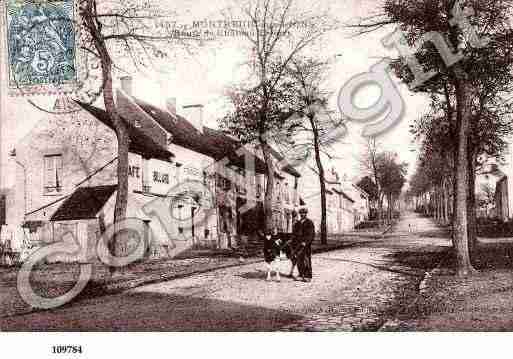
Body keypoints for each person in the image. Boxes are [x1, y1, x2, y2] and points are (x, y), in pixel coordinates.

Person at [292, 207, 315, 282]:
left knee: (306, 260)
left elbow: (311, 234)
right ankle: (301, 274)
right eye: (301, 213)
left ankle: (308, 276)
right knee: (299, 259)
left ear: (306, 214)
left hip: (306, 245)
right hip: (298, 244)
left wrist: (306, 242)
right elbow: (294, 234)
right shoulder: (297, 223)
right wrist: (293, 241)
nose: (302, 214)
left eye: (304, 213)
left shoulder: (309, 222)